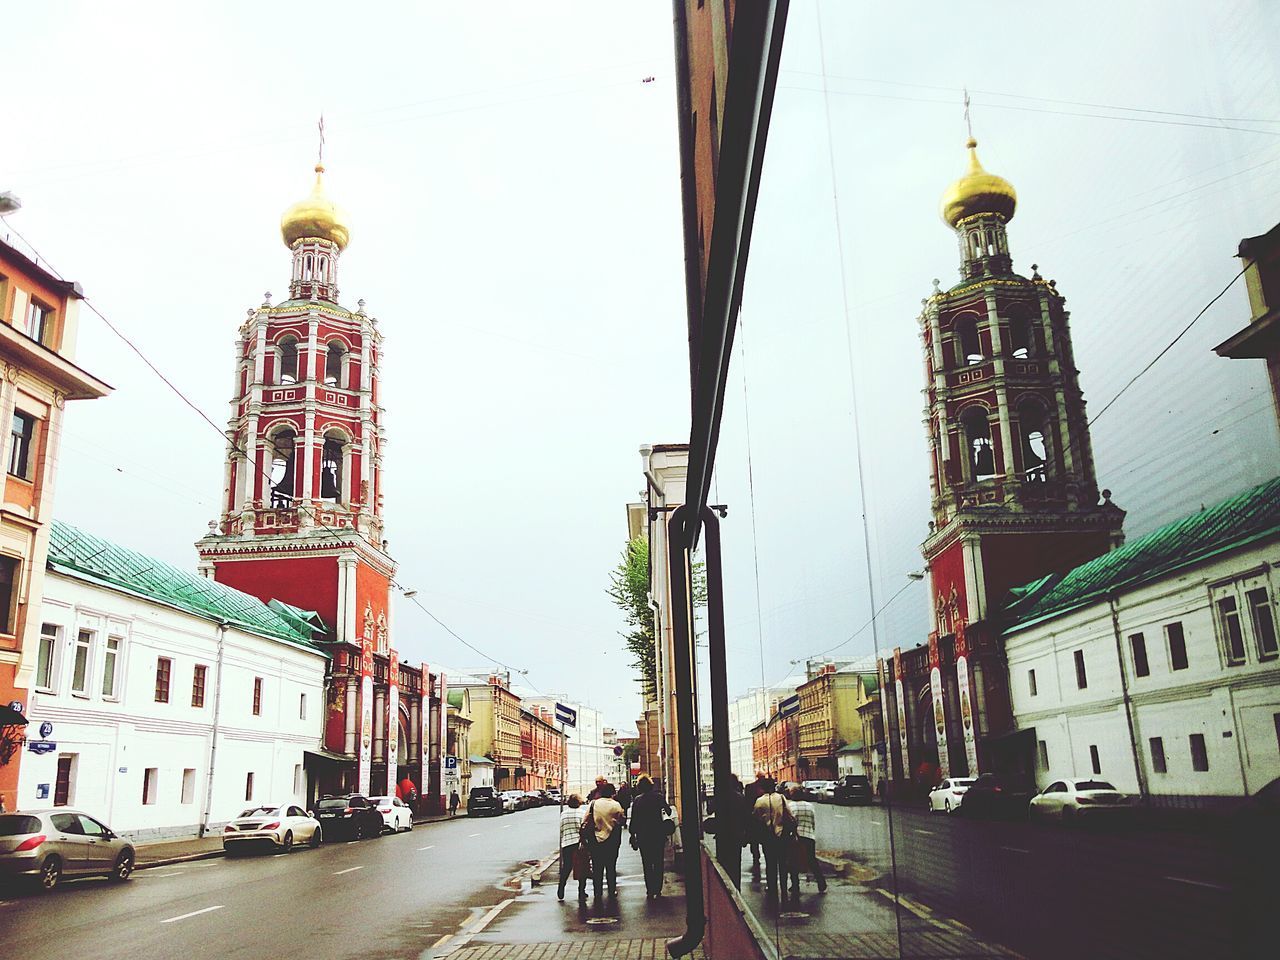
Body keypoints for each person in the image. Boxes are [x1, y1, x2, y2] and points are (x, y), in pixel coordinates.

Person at [628, 775, 671, 899]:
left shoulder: (637, 800)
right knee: (658, 862)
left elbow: (634, 819)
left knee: (646, 863)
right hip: (658, 834)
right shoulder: (659, 797)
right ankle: (658, 889)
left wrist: (632, 834)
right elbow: (668, 811)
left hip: (643, 836)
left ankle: (650, 889)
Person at [752, 777, 793, 898]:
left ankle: (772, 887)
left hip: (767, 836)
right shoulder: (781, 798)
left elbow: (755, 817)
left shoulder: (759, 801)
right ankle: (784, 887)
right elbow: (789, 814)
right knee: (783, 863)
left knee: (770, 863)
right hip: (781, 835)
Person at [585, 781, 626, 899]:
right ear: (613, 793)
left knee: (597, 867)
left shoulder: (593, 804)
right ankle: (612, 890)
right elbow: (622, 820)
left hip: (595, 840)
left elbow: (585, 820)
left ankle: (597, 892)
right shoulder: (616, 805)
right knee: (610, 866)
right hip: (612, 840)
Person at [784, 785, 826, 895]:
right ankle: (821, 882)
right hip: (809, 836)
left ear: (792, 795)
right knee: (812, 860)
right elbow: (812, 821)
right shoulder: (810, 806)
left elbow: (789, 821)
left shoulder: (790, 806)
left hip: (795, 837)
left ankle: (795, 885)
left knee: (793, 861)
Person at [557, 794, 588, 902]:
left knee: (567, 867)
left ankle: (561, 888)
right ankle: (581, 891)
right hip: (579, 844)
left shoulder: (563, 814)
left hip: (567, 843)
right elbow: (584, 828)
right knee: (582, 868)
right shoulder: (582, 813)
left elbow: (561, 829)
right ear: (579, 802)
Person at [743, 772, 768, 879]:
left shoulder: (750, 787)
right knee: (765, 840)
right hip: (764, 819)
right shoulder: (767, 788)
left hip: (753, 818)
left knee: (754, 840)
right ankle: (762, 857)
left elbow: (747, 803)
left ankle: (756, 857)